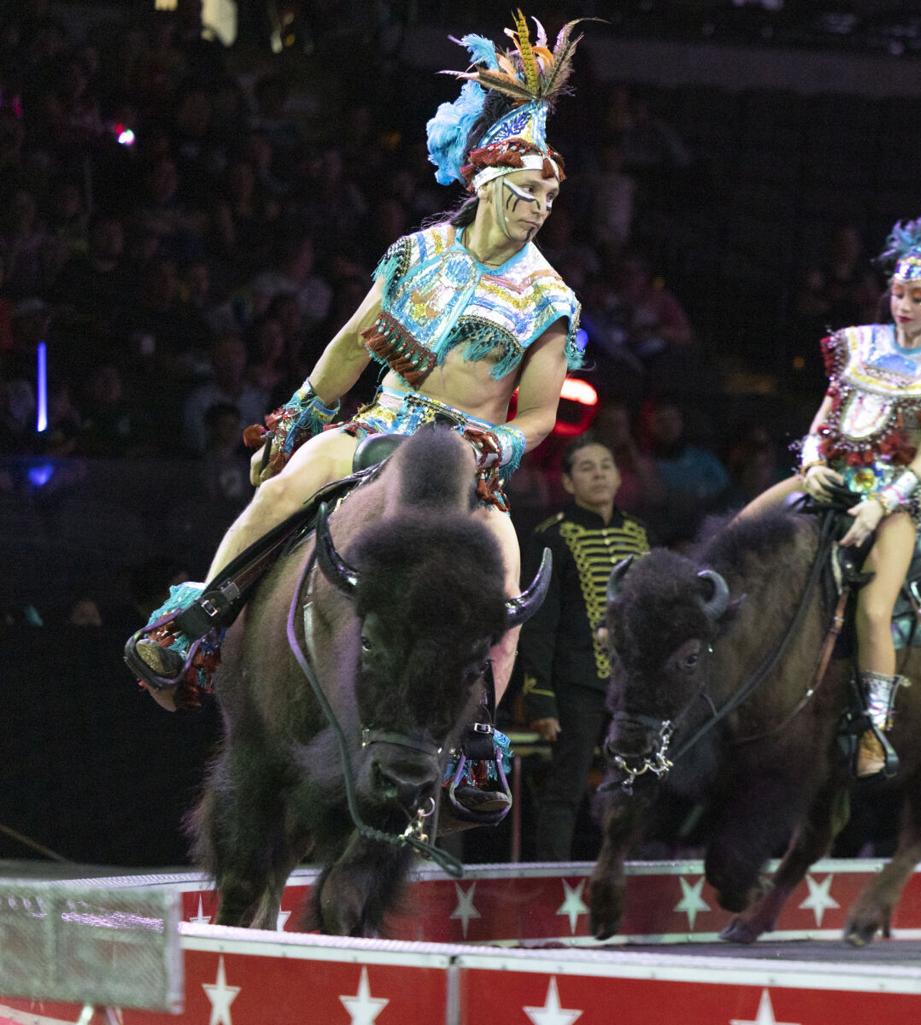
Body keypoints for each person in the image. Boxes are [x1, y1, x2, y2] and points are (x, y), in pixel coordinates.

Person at [124, 14, 591, 810]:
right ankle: (199, 620)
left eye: (549, 195)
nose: (539, 207)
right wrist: (300, 414)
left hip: (470, 454)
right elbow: (349, 346)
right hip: (385, 428)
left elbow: (541, 413)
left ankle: (476, 739)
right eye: (526, 191)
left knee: (506, 594)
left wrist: (503, 447)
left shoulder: (551, 298)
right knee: (283, 490)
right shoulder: (414, 256)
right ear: (484, 182)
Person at [739, 195, 921, 777]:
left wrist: (878, 507)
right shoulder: (859, 345)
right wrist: (815, 460)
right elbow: (824, 418)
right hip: (829, 479)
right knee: (741, 532)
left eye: (917, 297)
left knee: (873, 611)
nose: (903, 305)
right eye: (898, 293)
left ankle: (873, 729)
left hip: (890, 498)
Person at [520, 434, 651, 859]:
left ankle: (621, 869)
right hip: (577, 683)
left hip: (633, 688)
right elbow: (540, 622)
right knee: (566, 788)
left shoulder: (638, 534)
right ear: (569, 483)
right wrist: (540, 697)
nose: (599, 474)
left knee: (632, 785)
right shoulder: (552, 536)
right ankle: (549, 879)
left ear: (618, 477)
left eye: (606, 465)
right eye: (586, 467)